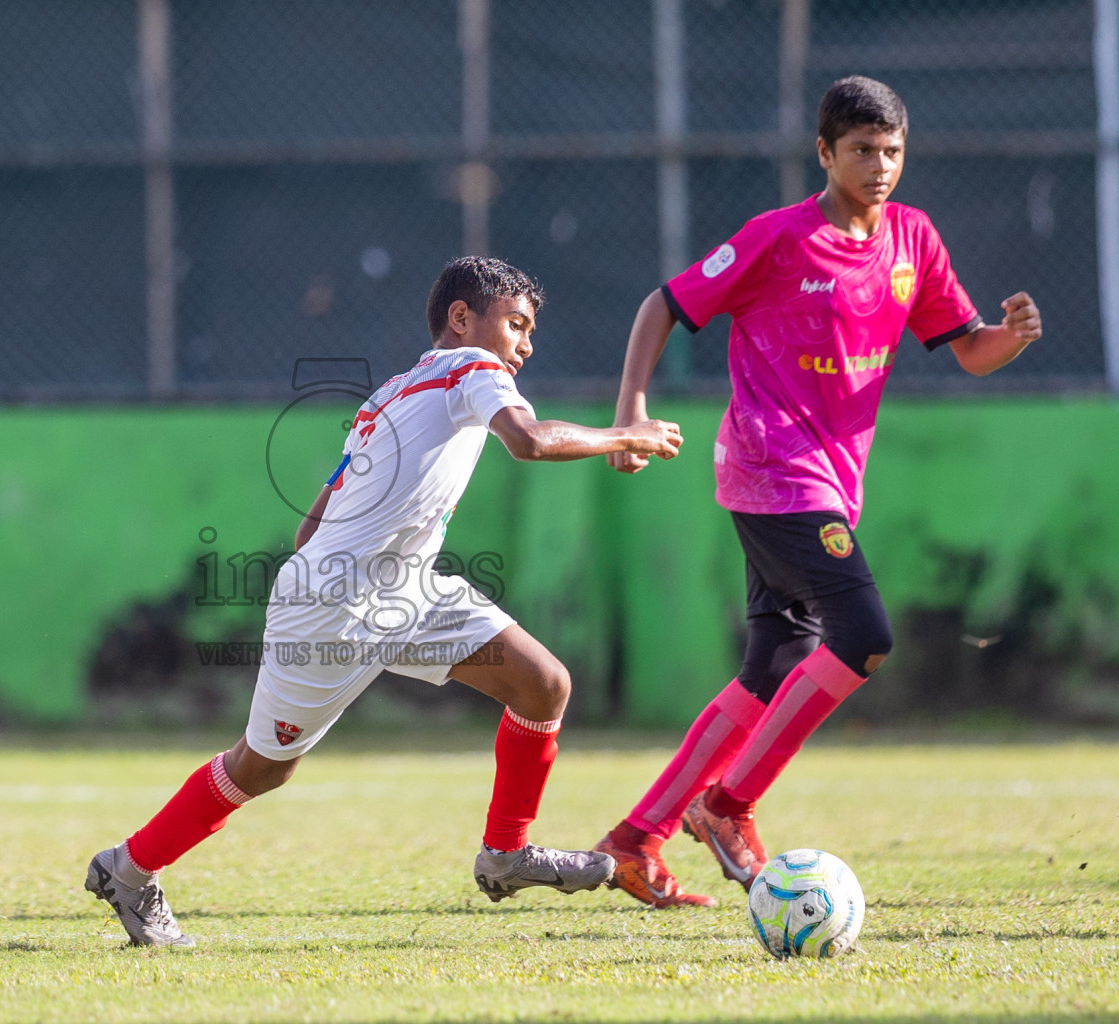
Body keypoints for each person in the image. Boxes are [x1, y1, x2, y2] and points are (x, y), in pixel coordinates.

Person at [84, 256, 684, 946]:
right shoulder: (472, 370)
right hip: (336, 604)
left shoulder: (391, 392)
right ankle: (127, 869)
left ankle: (506, 855)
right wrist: (626, 434)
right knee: (262, 766)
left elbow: (317, 513)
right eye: (515, 325)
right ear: (462, 319)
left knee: (542, 683)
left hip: (406, 588)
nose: (525, 344)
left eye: (528, 330)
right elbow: (527, 440)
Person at [594, 76, 1042, 908]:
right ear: (824, 153)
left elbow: (966, 347)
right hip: (771, 471)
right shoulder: (777, 238)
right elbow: (662, 305)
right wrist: (631, 412)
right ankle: (727, 808)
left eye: (892, 152)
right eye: (862, 150)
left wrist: (1006, 340)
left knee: (770, 670)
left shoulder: (911, 239)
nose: (878, 166)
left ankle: (633, 840)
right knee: (863, 635)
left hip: (832, 482)